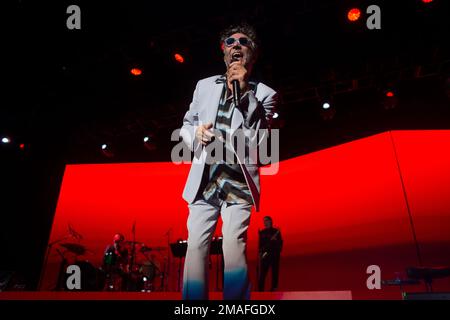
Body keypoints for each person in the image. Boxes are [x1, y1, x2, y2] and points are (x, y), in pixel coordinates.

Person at [179, 23, 278, 300]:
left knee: (234, 245)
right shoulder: (204, 86)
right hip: (205, 178)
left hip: (237, 179)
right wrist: (195, 133)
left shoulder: (265, 94)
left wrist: (245, 93)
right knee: (196, 245)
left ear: (252, 54)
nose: (236, 45)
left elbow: (261, 143)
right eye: (230, 42)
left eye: (243, 42)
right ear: (223, 51)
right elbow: (187, 125)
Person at [258, 216, 283, 291]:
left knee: (275, 272)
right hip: (265, 255)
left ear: (271, 221)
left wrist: (275, 240)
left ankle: (274, 289)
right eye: (264, 221)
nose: (265, 222)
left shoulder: (276, 231)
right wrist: (260, 253)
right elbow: (260, 244)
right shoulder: (262, 232)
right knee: (262, 273)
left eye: (267, 220)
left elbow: (280, 243)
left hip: (274, 255)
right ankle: (260, 290)